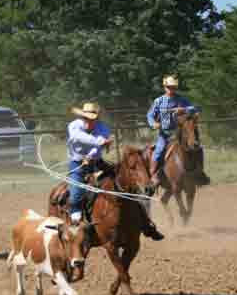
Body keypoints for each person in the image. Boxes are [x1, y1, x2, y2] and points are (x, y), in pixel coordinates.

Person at [66, 102, 164, 240]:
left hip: (96, 162)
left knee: (122, 183)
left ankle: (145, 222)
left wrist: (92, 153)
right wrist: (99, 143)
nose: (89, 121)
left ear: (97, 118)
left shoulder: (102, 128)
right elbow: (79, 137)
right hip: (77, 164)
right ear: (83, 118)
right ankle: (75, 221)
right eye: (87, 118)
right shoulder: (74, 126)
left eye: (92, 118)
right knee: (76, 193)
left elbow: (99, 143)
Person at [146, 75, 210, 188]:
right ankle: (154, 176)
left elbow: (195, 108)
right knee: (158, 151)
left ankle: (200, 173)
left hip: (180, 134)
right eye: (169, 87)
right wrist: (153, 124)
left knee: (197, 147)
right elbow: (150, 115)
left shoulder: (181, 100)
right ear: (165, 87)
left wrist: (184, 109)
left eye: (173, 87)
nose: (171, 90)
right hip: (165, 134)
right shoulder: (158, 101)